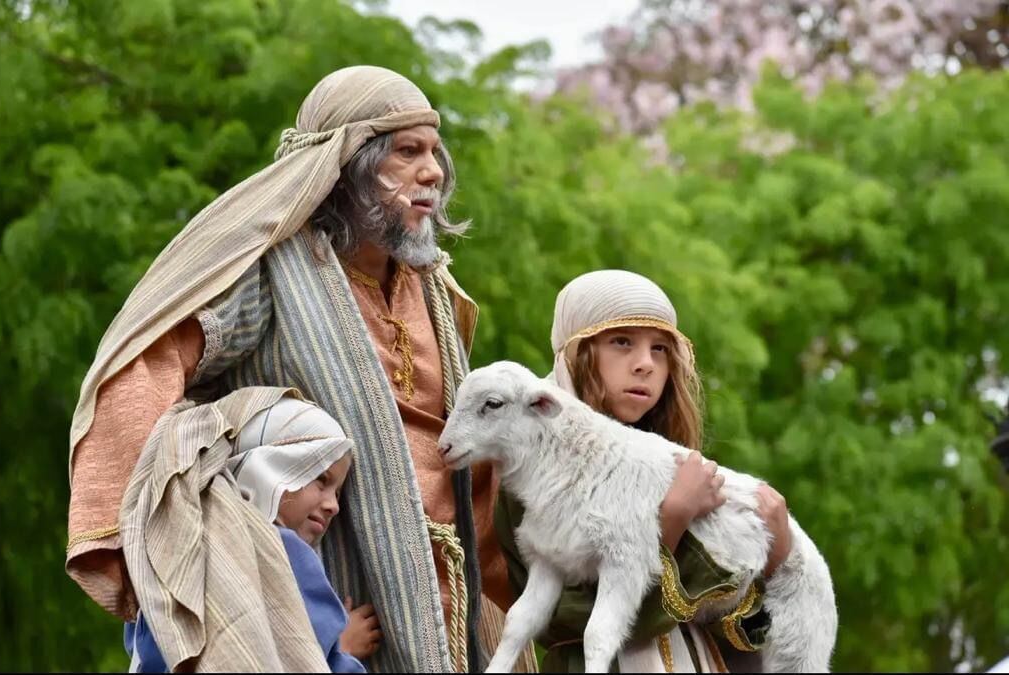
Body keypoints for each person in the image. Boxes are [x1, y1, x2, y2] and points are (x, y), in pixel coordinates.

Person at [66, 66, 510, 672]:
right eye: (407, 152)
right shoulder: (271, 274)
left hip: (453, 604)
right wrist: (164, 529)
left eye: (434, 151)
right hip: (327, 598)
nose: (432, 172)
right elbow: (146, 360)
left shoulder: (435, 287)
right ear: (349, 165)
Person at [496, 270, 793, 672]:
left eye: (659, 350)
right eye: (622, 342)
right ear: (576, 353)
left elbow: (724, 623)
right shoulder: (531, 477)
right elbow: (564, 621)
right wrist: (670, 518)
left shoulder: (677, 469)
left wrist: (771, 559)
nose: (645, 365)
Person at [122, 394, 375, 672]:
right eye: (320, 479)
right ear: (271, 465)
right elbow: (303, 656)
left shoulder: (176, 542)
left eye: (337, 493)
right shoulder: (286, 554)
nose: (334, 506)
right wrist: (344, 651)